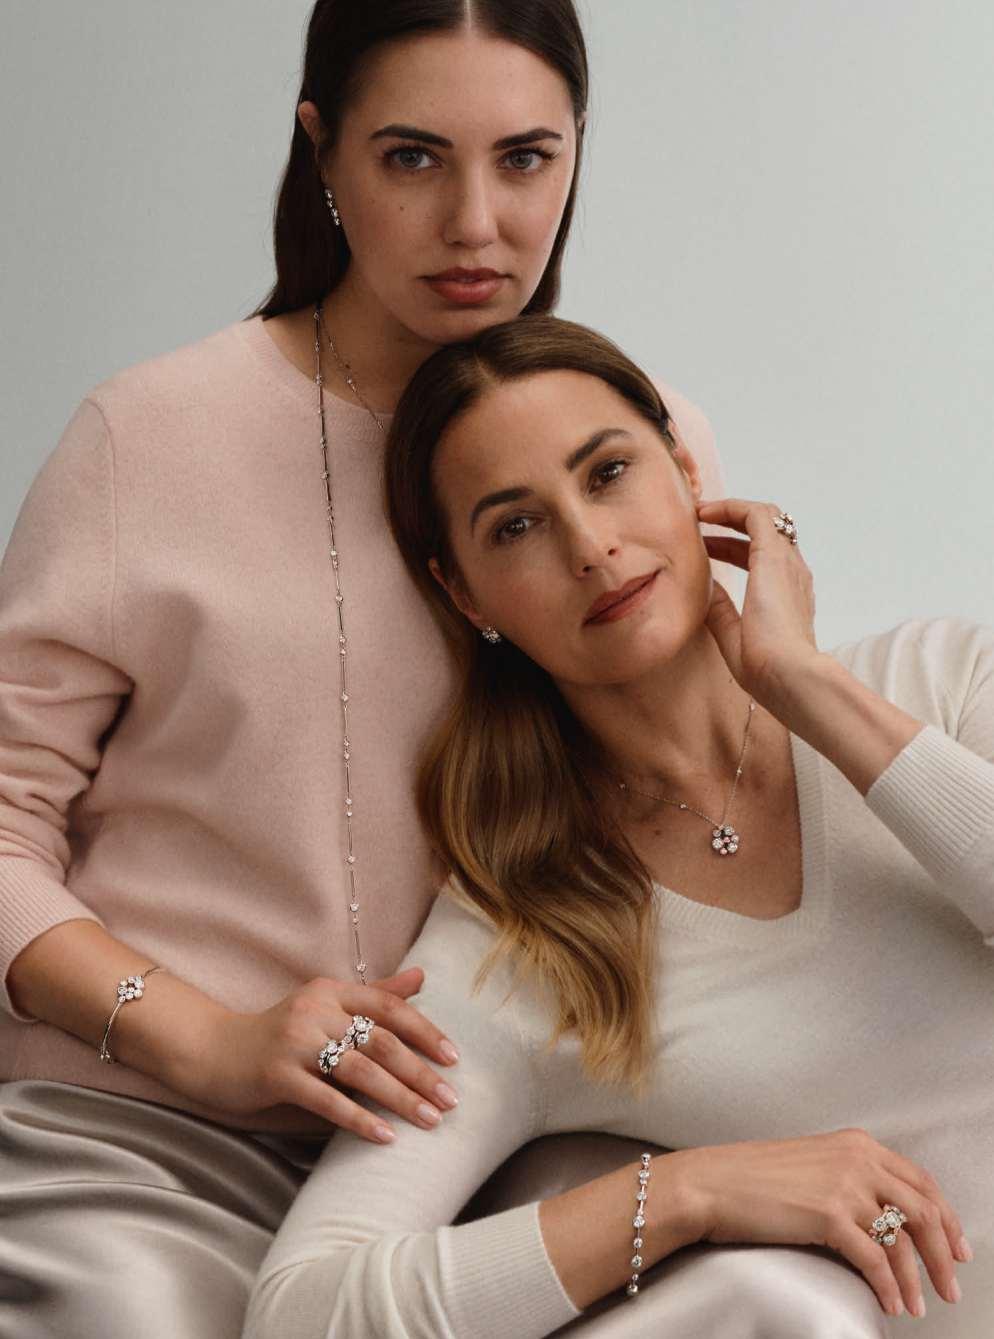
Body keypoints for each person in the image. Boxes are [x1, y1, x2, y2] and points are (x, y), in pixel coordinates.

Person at [0, 5, 741, 1338]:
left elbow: (712, 790)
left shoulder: (641, 437)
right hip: (158, 1141)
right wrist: (205, 1039)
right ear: (322, 152)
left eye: (525, 158)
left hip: (496, 1153)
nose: (475, 224)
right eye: (412, 158)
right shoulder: (147, 436)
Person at [240, 314, 992, 1339]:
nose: (590, 546)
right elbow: (300, 1312)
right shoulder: (521, 945)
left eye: (607, 474)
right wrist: (686, 1193)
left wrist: (803, 683)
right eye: (515, 526)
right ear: (463, 593)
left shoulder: (939, 684)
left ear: (684, 472)